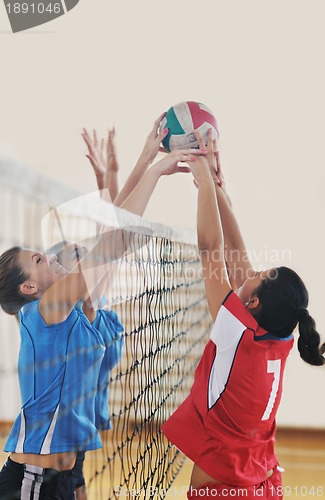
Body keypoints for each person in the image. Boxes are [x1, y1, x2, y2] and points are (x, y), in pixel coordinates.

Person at [0, 117, 204, 499]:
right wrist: (156, 169)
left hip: (62, 473)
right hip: (31, 481)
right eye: (39, 260)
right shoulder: (46, 309)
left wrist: (144, 159)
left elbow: (111, 235)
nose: (50, 256)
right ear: (29, 287)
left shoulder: (77, 310)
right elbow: (112, 242)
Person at [162, 129, 325, 499]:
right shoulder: (280, 333)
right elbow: (236, 255)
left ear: (253, 304)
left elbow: (211, 250)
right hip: (260, 476)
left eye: (258, 275)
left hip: (227, 485)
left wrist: (201, 178)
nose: (250, 272)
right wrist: (218, 190)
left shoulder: (238, 328)